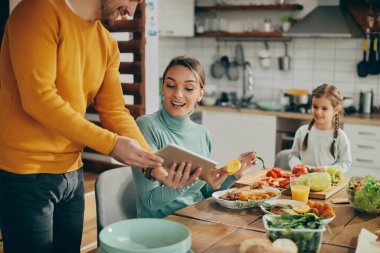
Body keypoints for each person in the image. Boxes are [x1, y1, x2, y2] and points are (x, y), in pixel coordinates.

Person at [0, 1, 198, 253]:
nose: (132, 12)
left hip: (72, 173)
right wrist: (112, 144)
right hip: (25, 172)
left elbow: (114, 111)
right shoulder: (39, 10)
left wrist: (154, 163)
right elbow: (39, 100)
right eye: (133, 0)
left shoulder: (106, 42)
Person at [132, 56, 257, 218]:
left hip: (196, 219)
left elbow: (203, 192)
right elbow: (150, 202)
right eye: (171, 85)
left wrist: (233, 174)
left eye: (189, 89)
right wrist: (192, 177)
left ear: (200, 94)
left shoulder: (202, 134)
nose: (178, 94)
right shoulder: (146, 126)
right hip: (162, 224)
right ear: (162, 87)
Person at [289, 84, 352, 173]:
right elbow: (293, 156)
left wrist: (329, 170)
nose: (318, 112)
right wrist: (299, 167)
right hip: (303, 182)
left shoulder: (341, 136)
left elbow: (345, 163)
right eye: (315, 107)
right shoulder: (301, 131)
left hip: (328, 184)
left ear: (336, 109)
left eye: (324, 108)